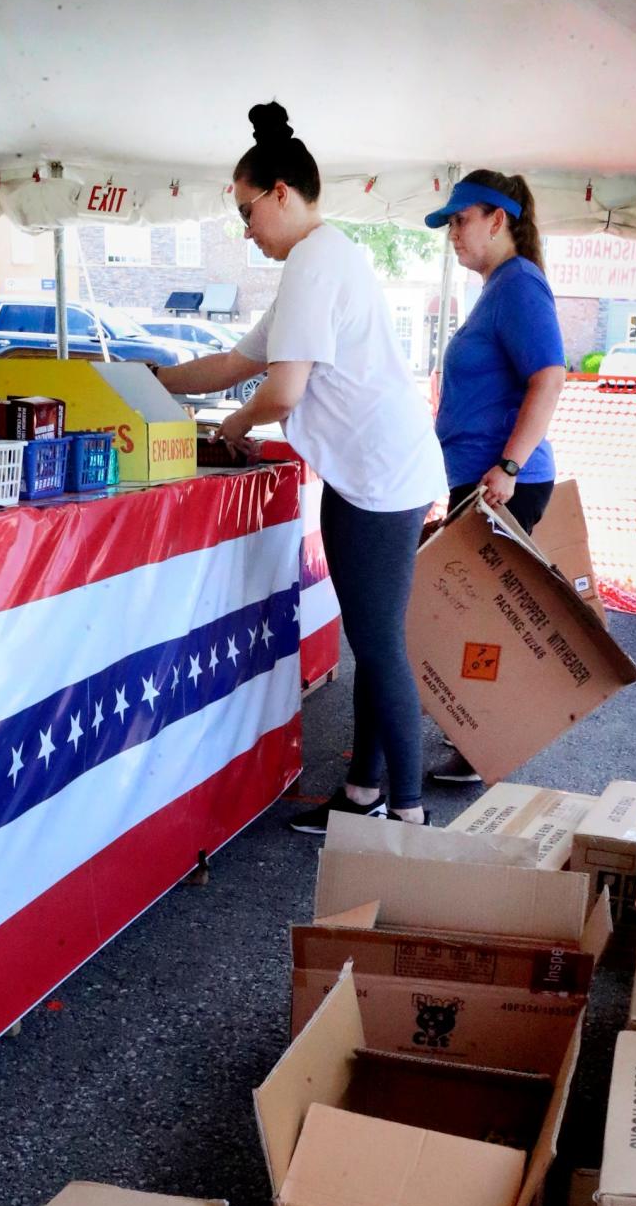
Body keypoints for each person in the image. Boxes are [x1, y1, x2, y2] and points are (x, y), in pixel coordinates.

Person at [155, 102, 446, 833]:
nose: (246, 230)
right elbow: (236, 361)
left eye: (247, 210)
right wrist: (151, 382)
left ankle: (406, 819)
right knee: (376, 641)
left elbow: (278, 390)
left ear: (281, 192)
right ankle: (362, 795)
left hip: (378, 477)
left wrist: (239, 420)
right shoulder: (318, 263)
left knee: (380, 649)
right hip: (371, 472)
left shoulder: (318, 262)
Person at [424, 170, 566, 782]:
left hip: (502, 481)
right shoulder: (500, 287)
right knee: (477, 614)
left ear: (497, 219)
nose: (452, 234)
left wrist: (507, 466)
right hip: (484, 479)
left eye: (460, 219)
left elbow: (550, 376)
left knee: (485, 619)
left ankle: (486, 742)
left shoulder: (518, 286)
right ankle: (478, 736)